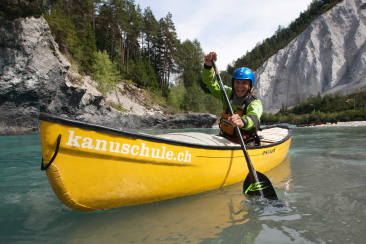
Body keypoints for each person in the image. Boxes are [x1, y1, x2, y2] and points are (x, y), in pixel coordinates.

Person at [201, 52, 263, 145]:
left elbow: (254, 120)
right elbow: (207, 85)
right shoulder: (227, 93)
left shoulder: (254, 102)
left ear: (250, 85)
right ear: (233, 83)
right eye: (237, 82)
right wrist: (208, 66)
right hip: (225, 138)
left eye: (244, 83)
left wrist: (242, 121)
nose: (240, 86)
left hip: (245, 142)